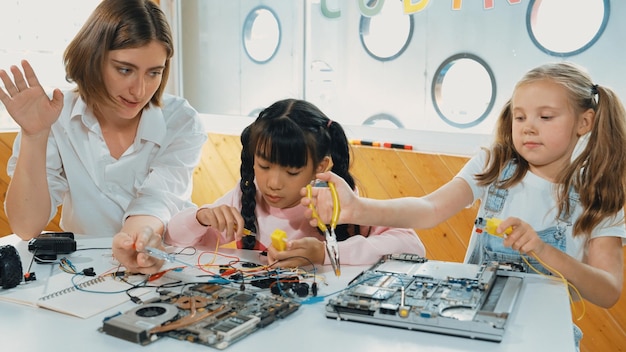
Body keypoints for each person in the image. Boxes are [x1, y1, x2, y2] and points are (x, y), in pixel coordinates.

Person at [302, 62, 626, 348]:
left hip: (545, 336)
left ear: (585, 122)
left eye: (546, 116)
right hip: (471, 328)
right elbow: (429, 209)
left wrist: (543, 250)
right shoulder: (493, 164)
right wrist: (357, 208)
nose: (528, 126)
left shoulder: (600, 192)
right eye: (520, 116)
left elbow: (607, 291)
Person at [0, 0, 207, 274]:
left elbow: (158, 198)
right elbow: (26, 226)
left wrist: (135, 241)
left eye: (154, 72)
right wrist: (34, 135)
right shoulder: (56, 116)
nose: (139, 90)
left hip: (160, 261)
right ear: (92, 58)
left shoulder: (180, 120)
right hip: (83, 271)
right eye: (125, 69)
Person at [164, 98, 425, 269]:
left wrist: (326, 254)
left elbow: (412, 246)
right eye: (264, 167)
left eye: (291, 172)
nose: (273, 183)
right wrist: (201, 217)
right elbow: (173, 243)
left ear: (320, 167)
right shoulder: (246, 195)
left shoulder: (336, 201)